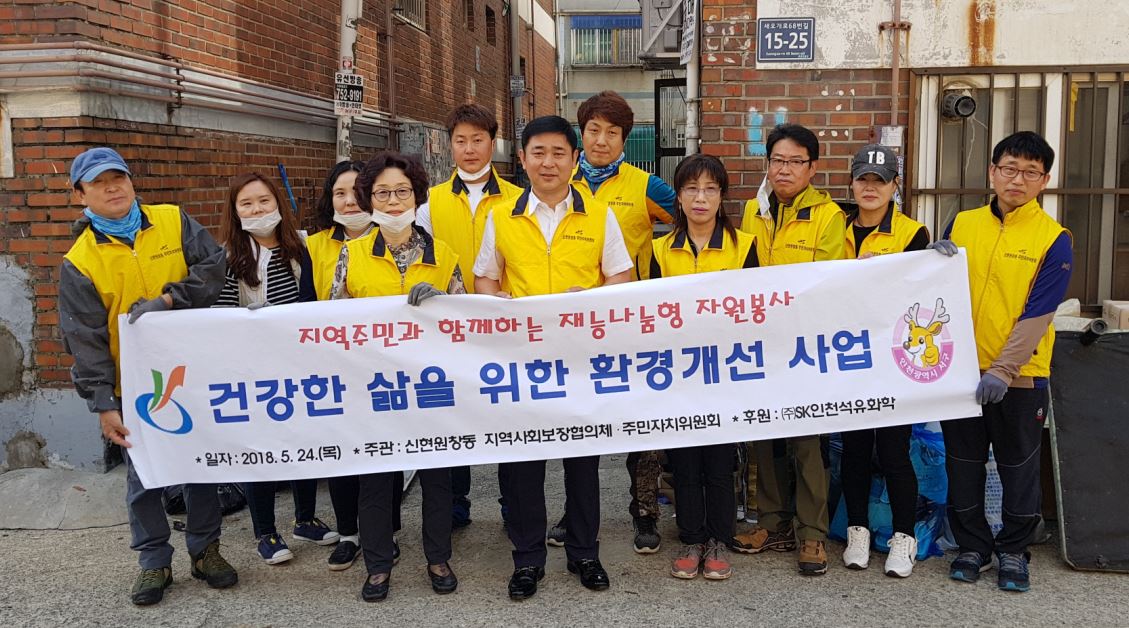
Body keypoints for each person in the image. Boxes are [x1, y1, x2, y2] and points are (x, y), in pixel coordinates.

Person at [58, 146, 237, 605]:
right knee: (144, 476)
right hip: (134, 387)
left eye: (117, 177)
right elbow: (85, 339)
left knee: (199, 467)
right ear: (80, 194)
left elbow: (213, 267)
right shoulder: (80, 261)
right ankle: (154, 560)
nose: (112, 188)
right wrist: (103, 404)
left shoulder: (173, 221)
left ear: (131, 181)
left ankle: (206, 550)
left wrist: (172, 299)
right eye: (98, 183)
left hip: (193, 372)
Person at [474, 115, 633, 600]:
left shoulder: (599, 215)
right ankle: (527, 559)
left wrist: (592, 298)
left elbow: (621, 277)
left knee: (582, 463)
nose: (548, 162)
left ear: (575, 159)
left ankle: (585, 553)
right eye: (538, 153)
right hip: (523, 362)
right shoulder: (502, 217)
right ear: (522, 159)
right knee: (524, 463)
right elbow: (485, 276)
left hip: (581, 359)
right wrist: (497, 302)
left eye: (559, 153)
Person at [931, 131, 1072, 593]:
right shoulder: (963, 223)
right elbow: (936, 290)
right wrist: (930, 261)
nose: (1018, 179)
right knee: (963, 465)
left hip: (1020, 379)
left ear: (1044, 181)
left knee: (1018, 470)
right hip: (960, 373)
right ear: (992, 172)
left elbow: (1038, 314)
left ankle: (1014, 550)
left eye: (1031, 172)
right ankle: (972, 546)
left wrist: (1003, 370)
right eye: (1009, 168)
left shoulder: (1054, 239)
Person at [331, 151, 464, 602]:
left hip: (431, 386)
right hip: (376, 386)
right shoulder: (351, 255)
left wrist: (443, 301)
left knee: (437, 478)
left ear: (417, 196)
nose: (393, 202)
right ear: (369, 199)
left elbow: (464, 323)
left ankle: (438, 557)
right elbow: (333, 319)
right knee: (375, 479)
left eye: (402, 192)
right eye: (383, 193)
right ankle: (378, 565)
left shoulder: (443, 255)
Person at [558, 90, 676, 554]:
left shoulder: (646, 186)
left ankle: (644, 512)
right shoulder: (558, 181)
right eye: (593, 130)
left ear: (625, 139)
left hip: (632, 324)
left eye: (612, 133)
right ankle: (574, 513)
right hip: (573, 327)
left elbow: (695, 217)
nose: (601, 141)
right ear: (581, 133)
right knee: (577, 422)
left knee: (642, 423)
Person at [734, 123, 845, 576]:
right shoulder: (752, 210)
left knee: (807, 442)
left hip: (805, 345)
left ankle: (812, 533)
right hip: (760, 345)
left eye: (795, 162)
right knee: (764, 438)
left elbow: (828, 282)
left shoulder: (828, 216)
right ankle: (771, 523)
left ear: (812, 169)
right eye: (777, 160)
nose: (784, 169)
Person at [212, 173, 339, 564]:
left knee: (305, 442)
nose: (257, 210)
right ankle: (265, 532)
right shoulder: (228, 257)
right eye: (247, 204)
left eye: (264, 201)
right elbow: (219, 316)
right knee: (263, 449)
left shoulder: (301, 246)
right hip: (255, 370)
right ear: (235, 212)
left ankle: (305, 519)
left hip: (301, 363)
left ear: (278, 204)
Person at [650, 154, 758, 581]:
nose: (700, 198)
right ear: (678, 196)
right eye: (691, 189)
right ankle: (692, 538)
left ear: (722, 196)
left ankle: (719, 539)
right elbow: (649, 315)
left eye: (710, 189)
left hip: (725, 371)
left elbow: (754, 310)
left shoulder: (744, 246)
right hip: (678, 373)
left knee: (719, 461)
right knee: (684, 463)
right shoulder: (659, 250)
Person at [417, 104, 522, 530]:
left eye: (478, 139)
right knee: (453, 412)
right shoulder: (431, 201)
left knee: (507, 414)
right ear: (450, 146)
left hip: (504, 322)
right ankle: (456, 500)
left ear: (492, 143)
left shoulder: (517, 198)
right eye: (460, 140)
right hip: (449, 326)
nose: (469, 148)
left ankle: (512, 502)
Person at [838, 145, 929, 578]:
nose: (870, 188)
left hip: (894, 358)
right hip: (847, 356)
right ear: (852, 183)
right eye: (863, 179)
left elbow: (921, 295)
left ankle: (904, 537)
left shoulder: (913, 233)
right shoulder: (834, 230)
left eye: (880, 180)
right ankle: (857, 530)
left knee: (894, 450)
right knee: (854, 449)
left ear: (895, 186)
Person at [307, 160, 376, 571]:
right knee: (341, 453)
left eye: (357, 192)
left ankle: (384, 532)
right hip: (332, 367)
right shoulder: (314, 246)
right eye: (340, 193)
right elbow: (302, 304)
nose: (349, 201)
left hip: (382, 368)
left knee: (382, 454)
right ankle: (348, 533)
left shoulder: (394, 239)